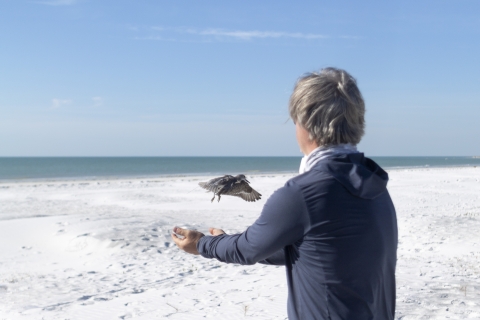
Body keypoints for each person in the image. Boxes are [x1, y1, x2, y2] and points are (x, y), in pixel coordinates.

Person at [172, 67, 398, 320]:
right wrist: (236, 242)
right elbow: (312, 248)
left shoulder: (303, 194)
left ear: (305, 125)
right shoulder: (375, 186)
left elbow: (248, 249)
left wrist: (203, 244)